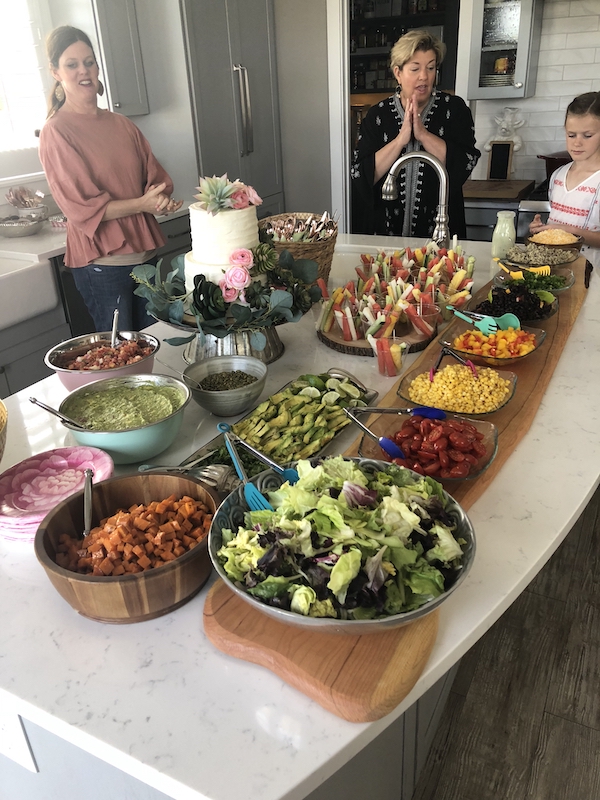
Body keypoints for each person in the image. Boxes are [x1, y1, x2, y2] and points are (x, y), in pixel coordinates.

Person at [39, 26, 183, 333]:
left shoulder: (121, 123)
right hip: (103, 266)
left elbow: (153, 178)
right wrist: (142, 203)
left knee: (157, 345)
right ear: (55, 71)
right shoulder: (57, 131)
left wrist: (159, 199)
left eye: (89, 61)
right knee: (122, 358)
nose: (84, 71)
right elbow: (83, 210)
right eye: (72, 64)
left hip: (146, 257)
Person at [351, 29, 480, 239]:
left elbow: (464, 162)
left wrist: (424, 136)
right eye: (415, 69)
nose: (424, 76)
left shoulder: (455, 110)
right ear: (398, 73)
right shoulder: (378, 115)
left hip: (440, 231)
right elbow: (362, 174)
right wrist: (401, 140)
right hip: (385, 234)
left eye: (431, 68)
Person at [530, 92, 600, 270]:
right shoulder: (558, 176)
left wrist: (569, 231)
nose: (577, 143)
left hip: (592, 275)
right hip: (556, 271)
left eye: (587, 135)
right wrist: (542, 230)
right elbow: (556, 223)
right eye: (571, 135)